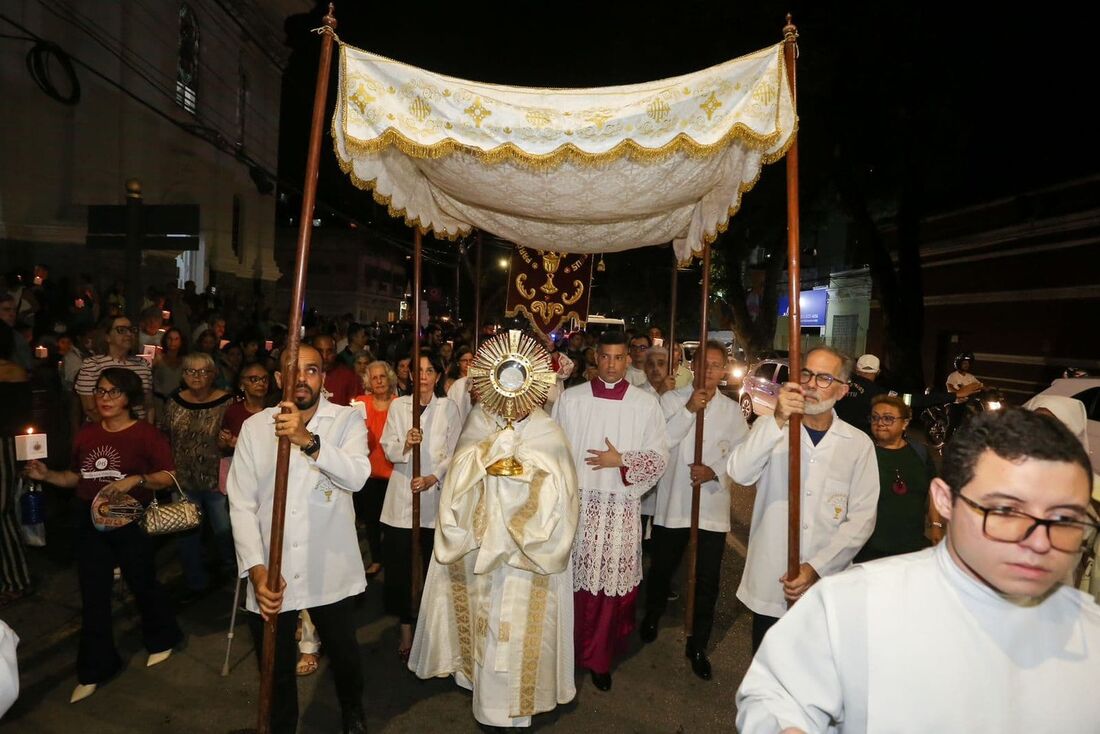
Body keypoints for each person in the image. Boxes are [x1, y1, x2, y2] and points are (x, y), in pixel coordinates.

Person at [735, 409, 1100, 733]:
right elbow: (777, 696)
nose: (1039, 542)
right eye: (1005, 511)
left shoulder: (1090, 635)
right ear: (945, 500)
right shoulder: (852, 604)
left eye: (1064, 519)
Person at [227, 344, 371, 734]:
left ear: (323, 377)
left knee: (343, 653)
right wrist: (256, 571)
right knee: (275, 666)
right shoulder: (256, 429)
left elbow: (357, 475)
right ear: (279, 380)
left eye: (312, 370)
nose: (303, 378)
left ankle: (352, 711)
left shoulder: (346, 421)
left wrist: (307, 440)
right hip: (273, 569)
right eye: (294, 370)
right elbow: (241, 504)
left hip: (330, 564)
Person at [410, 400, 580, 728]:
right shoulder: (481, 421)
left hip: (529, 556)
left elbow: (564, 489)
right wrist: (486, 454)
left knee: (520, 631)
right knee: (485, 628)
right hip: (483, 548)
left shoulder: (547, 431)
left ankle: (518, 711)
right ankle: (485, 701)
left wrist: (525, 466)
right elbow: (459, 475)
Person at [24, 368, 182, 703]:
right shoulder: (86, 434)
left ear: (129, 398)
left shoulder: (145, 434)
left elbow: (168, 476)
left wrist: (136, 480)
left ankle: (162, 637)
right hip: (89, 518)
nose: (105, 398)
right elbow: (74, 478)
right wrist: (47, 474)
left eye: (114, 392)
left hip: (130, 517)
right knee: (93, 593)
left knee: (142, 582)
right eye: (100, 391)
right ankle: (96, 667)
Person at [727, 346, 879, 651]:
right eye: (807, 374)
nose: (810, 384)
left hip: (827, 584)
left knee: (815, 680)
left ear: (842, 390)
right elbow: (739, 472)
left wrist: (817, 567)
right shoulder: (772, 429)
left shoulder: (858, 444)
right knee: (768, 677)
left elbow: (861, 519)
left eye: (824, 378)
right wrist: (778, 417)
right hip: (773, 577)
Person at [551, 331, 669, 691]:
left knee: (608, 591)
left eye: (619, 358)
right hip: (578, 506)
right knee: (573, 585)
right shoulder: (571, 400)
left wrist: (622, 460)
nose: (612, 364)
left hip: (619, 508)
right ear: (595, 358)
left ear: (628, 360)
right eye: (606, 357)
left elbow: (659, 457)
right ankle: (565, 656)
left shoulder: (645, 404)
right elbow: (552, 450)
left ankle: (600, 660)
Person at [640, 342, 749, 679]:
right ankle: (652, 615)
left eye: (717, 366)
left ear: (723, 370)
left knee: (706, 580)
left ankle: (698, 641)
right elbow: (661, 442)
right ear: (695, 367)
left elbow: (743, 453)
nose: (710, 371)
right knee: (662, 567)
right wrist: (688, 409)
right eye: (705, 364)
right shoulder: (670, 400)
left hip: (711, 506)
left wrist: (713, 469)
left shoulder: (733, 411)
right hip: (675, 502)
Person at [379, 351, 461, 660]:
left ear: (438, 376)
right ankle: (405, 630)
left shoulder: (448, 408)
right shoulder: (400, 407)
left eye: (430, 370)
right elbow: (388, 446)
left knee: (429, 567)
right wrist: (406, 444)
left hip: (432, 496)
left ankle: (429, 630)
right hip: (402, 495)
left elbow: (454, 450)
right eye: (419, 370)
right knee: (401, 569)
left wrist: (432, 476)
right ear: (411, 375)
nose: (424, 375)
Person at [854, 394, 942, 562]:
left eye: (888, 419)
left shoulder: (920, 453)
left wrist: (936, 526)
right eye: (875, 418)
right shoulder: (863, 453)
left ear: (905, 423)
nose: (880, 423)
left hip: (912, 549)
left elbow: (933, 489)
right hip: (869, 550)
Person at [352, 360, 396, 577]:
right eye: (374, 377)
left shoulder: (400, 403)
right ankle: (377, 559)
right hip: (368, 472)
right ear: (368, 381)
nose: (379, 381)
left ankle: (391, 559)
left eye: (382, 376)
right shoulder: (360, 403)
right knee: (371, 520)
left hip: (394, 473)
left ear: (390, 379)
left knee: (391, 523)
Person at [0, 322, 32, 606]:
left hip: (4, 445)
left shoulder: (13, 373)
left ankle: (16, 578)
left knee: (3, 511)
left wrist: (28, 454)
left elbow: (23, 419)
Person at [74, 315, 155, 423]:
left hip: (139, 431)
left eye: (132, 330)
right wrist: (117, 430)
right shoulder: (92, 365)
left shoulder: (142, 364)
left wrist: (148, 431)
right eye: (121, 330)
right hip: (105, 432)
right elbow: (90, 409)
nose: (129, 334)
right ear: (107, 337)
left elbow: (148, 405)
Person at [151, 327, 185, 418]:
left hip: (177, 402)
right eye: (170, 338)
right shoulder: (159, 359)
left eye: (176, 339)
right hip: (159, 401)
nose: (172, 342)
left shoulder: (185, 361)